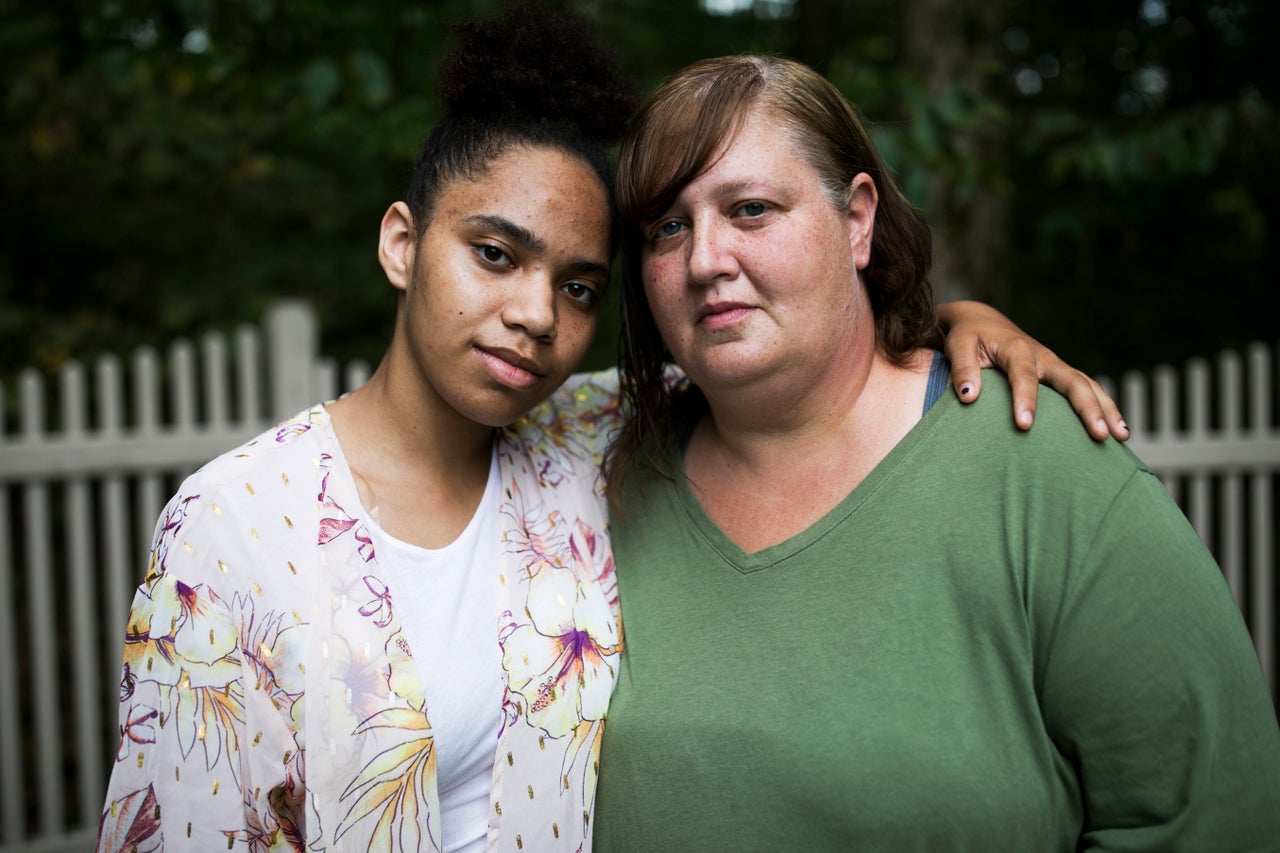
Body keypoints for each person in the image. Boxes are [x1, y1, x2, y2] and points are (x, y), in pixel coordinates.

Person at [95, 7, 1127, 851]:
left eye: (578, 285)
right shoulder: (234, 525)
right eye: (495, 254)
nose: (537, 314)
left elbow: (796, 355)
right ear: (402, 243)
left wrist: (954, 322)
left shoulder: (583, 444)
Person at [593, 55, 1280, 851]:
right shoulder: (599, 472)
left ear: (857, 220)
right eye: (667, 227)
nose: (704, 259)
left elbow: (1215, 814)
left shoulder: (1039, 467)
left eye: (750, 209)